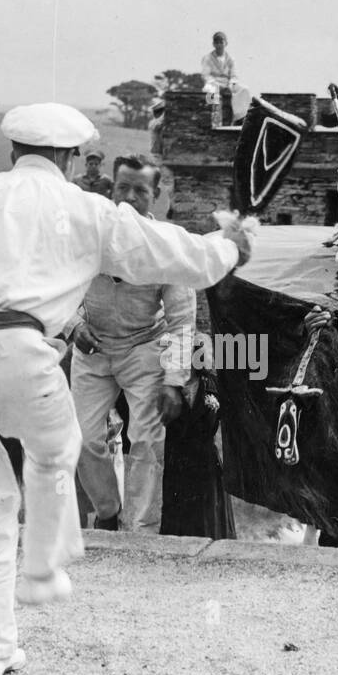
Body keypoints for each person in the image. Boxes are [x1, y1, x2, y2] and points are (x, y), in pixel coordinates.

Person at [0, 102, 253, 675]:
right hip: (26, 352)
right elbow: (188, 258)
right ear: (69, 159)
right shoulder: (88, 212)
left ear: (13, 153)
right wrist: (232, 244)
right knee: (60, 447)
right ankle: (47, 564)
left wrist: (176, 375)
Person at [69, 154, 193, 533]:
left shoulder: (168, 246)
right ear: (111, 190)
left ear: (155, 196)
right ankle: (107, 511)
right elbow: (57, 288)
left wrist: (174, 381)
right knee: (81, 438)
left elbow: (182, 319)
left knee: (147, 441)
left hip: (144, 349)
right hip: (92, 349)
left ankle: (140, 532)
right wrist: (73, 325)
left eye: (141, 190)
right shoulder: (87, 237)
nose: (130, 197)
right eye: (122, 188)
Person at [160, 332, 237, 540]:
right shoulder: (166, 389)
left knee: (209, 524)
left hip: (206, 465)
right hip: (176, 462)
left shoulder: (212, 385)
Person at [200, 32, 240, 125]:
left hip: (227, 84)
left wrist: (231, 84)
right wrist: (215, 84)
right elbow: (205, 75)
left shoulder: (230, 59)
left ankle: (236, 120)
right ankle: (212, 119)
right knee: (210, 90)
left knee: (242, 91)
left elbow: (234, 75)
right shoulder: (207, 58)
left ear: (225, 43)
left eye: (221, 42)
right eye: (216, 42)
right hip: (213, 83)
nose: (219, 45)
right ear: (213, 44)